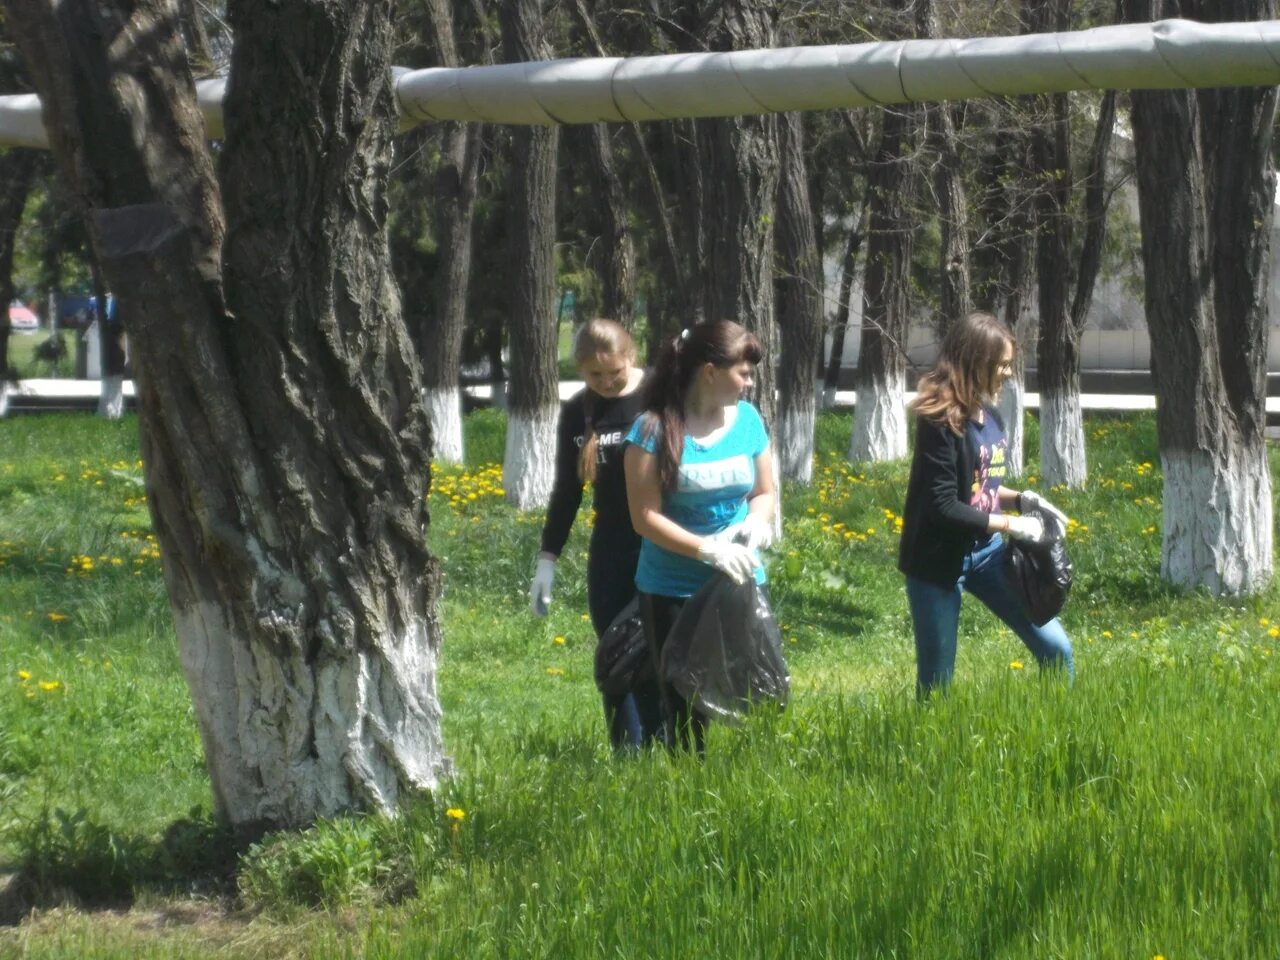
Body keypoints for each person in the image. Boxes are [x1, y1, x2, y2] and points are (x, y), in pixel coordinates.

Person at [898, 311, 1074, 696]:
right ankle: (930, 748)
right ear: (976, 362)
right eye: (1003, 365)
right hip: (938, 562)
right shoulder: (941, 421)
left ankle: (1059, 725)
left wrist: (1023, 499)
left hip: (988, 553)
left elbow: (979, 488)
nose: (1008, 373)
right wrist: (1010, 525)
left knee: (1057, 650)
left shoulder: (990, 416)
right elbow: (943, 505)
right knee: (936, 684)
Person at [623, 320, 776, 751]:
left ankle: (747, 787)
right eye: (743, 372)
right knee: (685, 708)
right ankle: (690, 797)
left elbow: (764, 492)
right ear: (710, 371)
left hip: (739, 582)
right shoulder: (652, 430)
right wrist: (706, 550)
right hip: (672, 588)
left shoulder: (747, 420)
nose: (749, 382)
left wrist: (757, 521)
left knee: (754, 690)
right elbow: (644, 516)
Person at [530, 318, 662, 749]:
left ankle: (670, 748)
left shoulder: (661, 394)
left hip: (665, 542)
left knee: (661, 649)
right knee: (616, 650)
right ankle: (627, 757)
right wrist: (547, 559)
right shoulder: (577, 411)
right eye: (594, 375)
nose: (606, 382)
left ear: (632, 357)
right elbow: (567, 491)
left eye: (615, 372)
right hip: (612, 547)